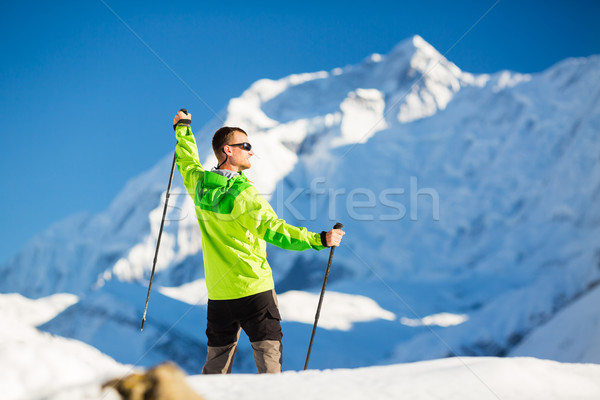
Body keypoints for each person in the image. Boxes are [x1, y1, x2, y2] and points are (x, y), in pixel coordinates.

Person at [172, 109, 345, 374]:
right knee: (269, 371)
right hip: (255, 290)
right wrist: (319, 239)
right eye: (246, 146)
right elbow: (276, 231)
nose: (251, 151)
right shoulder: (244, 194)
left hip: (219, 296)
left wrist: (183, 129)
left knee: (215, 373)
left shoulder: (199, 186)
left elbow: (186, 162)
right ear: (228, 150)